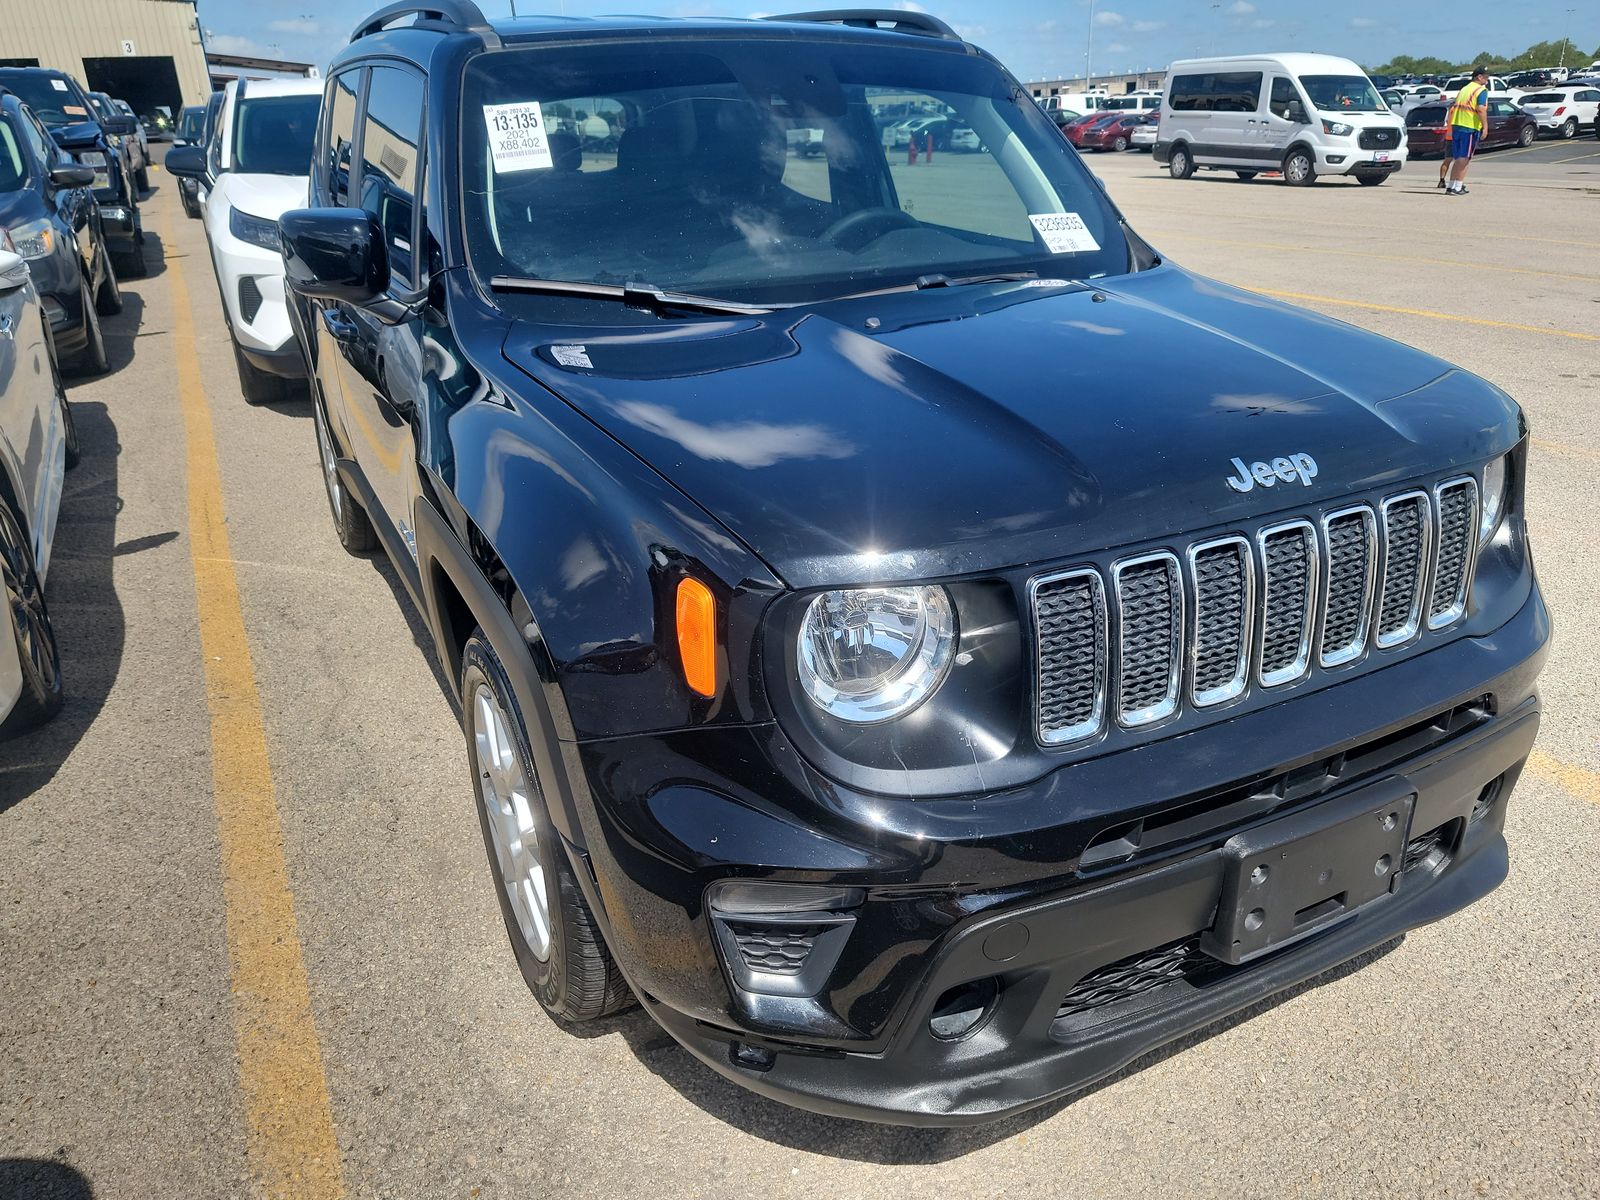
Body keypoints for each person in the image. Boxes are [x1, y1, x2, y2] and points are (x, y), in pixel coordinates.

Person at [1442, 66, 1489, 196]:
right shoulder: (1481, 90)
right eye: (1486, 77)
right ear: (1479, 77)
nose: (1487, 80)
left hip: (1457, 124)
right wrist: (1485, 127)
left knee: (1458, 157)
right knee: (1465, 158)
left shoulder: (1464, 89)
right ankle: (1456, 187)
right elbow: (1481, 109)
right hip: (1469, 126)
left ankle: (1453, 185)